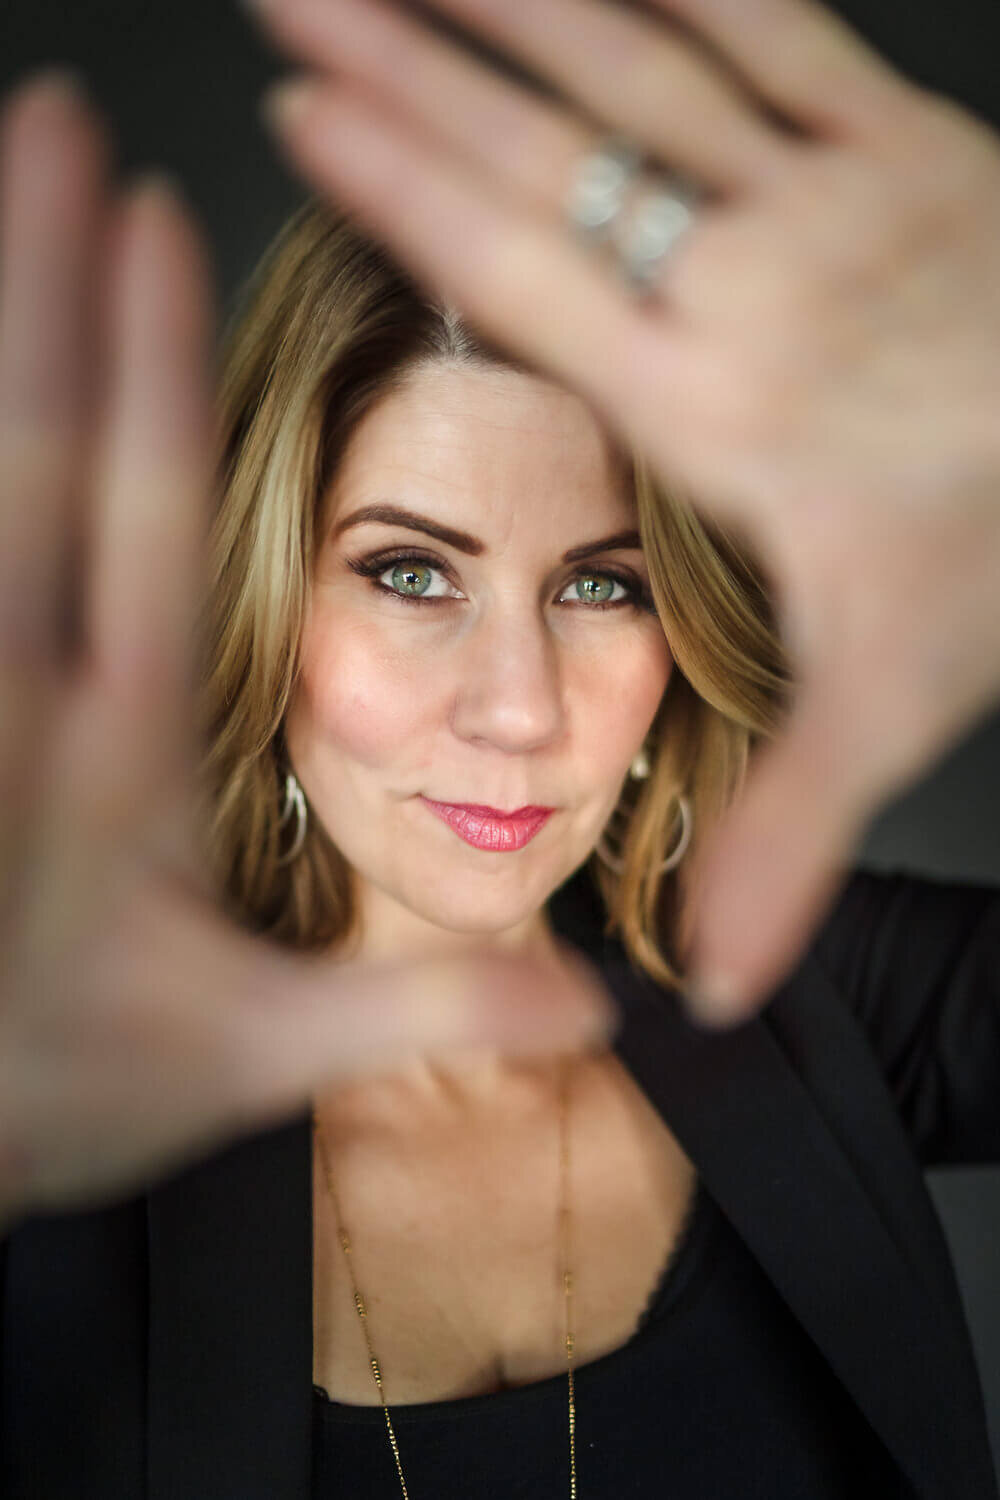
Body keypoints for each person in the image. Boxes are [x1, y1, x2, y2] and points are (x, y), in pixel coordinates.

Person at [1, 0, 999, 1493]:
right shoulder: (60, 1094)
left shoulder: (809, 992)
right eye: (412, 573)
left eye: (602, 585)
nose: (520, 707)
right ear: (272, 595)